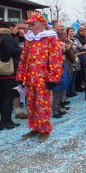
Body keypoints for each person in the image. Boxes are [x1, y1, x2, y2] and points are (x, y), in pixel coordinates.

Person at [16, 14, 63, 142]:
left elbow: (56, 59)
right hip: (30, 78)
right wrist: (20, 76)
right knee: (31, 105)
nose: (31, 27)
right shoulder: (29, 39)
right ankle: (35, 128)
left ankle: (44, 130)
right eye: (30, 24)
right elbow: (23, 59)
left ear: (42, 24)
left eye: (33, 24)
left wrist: (53, 78)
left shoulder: (51, 38)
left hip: (44, 80)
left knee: (42, 105)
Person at [0, 21, 22, 130]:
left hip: (2, 72)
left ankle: (7, 120)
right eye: (16, 28)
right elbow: (11, 50)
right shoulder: (6, 36)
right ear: (10, 27)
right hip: (8, 72)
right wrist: (21, 49)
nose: (17, 30)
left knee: (4, 97)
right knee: (8, 98)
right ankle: (5, 122)